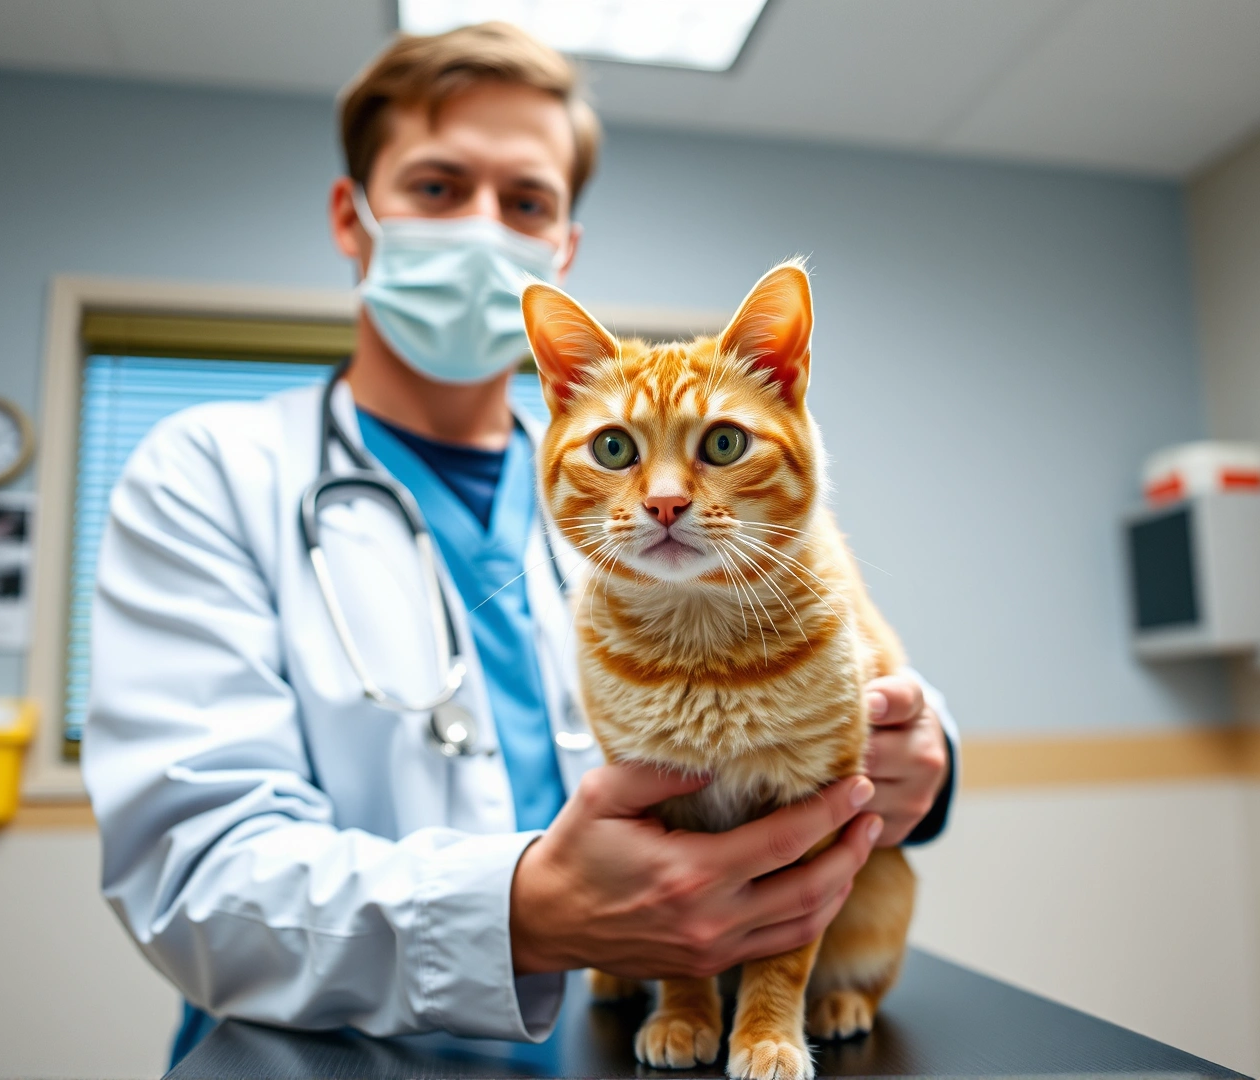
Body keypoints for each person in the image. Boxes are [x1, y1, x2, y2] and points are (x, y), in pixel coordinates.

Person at [82, 21, 958, 1065]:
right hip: (323, 1053)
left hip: (603, 1042)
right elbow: (196, 876)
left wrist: (923, 755)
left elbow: (846, 635)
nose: (480, 230)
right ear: (351, 218)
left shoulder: (628, 473)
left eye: (526, 201)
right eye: (439, 187)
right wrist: (522, 915)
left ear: (563, 247)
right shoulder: (208, 472)